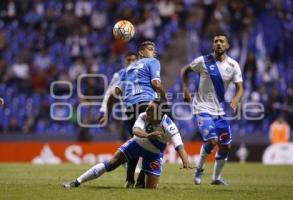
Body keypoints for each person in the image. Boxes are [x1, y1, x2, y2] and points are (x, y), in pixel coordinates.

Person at [63, 99, 192, 189]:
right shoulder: (143, 116)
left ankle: (140, 179)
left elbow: (179, 145)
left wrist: (185, 161)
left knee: (150, 189)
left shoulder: (169, 126)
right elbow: (135, 130)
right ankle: (77, 182)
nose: (147, 110)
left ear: (159, 112)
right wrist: (147, 135)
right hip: (136, 144)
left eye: (151, 109)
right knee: (112, 163)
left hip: (154, 154)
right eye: (148, 106)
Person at [98, 41, 167, 188]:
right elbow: (156, 83)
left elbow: (114, 94)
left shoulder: (126, 70)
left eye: (154, 50)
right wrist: (164, 98)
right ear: (141, 53)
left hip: (129, 109)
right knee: (155, 143)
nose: (153, 52)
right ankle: (141, 181)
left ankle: (129, 180)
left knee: (136, 143)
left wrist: (107, 113)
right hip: (146, 105)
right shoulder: (153, 62)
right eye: (150, 49)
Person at [181, 32, 244, 185]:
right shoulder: (203, 61)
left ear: (227, 45)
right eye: (215, 41)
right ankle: (199, 171)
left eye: (222, 41)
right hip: (202, 107)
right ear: (212, 45)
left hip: (220, 111)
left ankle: (216, 178)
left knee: (226, 145)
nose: (218, 43)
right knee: (212, 140)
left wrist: (235, 101)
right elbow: (185, 70)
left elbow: (240, 88)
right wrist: (185, 89)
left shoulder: (233, 65)